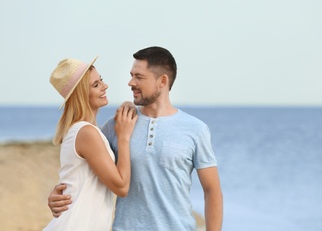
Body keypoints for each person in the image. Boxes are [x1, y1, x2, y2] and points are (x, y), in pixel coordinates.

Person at [48, 47, 223, 230]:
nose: (131, 82)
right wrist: (60, 194)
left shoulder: (196, 129)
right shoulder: (118, 125)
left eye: (139, 77)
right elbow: (84, 167)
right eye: (131, 75)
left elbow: (212, 191)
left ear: (162, 81)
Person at [44, 57, 138, 230]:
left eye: (100, 79)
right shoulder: (86, 133)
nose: (105, 86)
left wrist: (127, 104)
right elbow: (122, 187)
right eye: (96, 85)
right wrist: (124, 137)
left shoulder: (86, 132)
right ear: (81, 95)